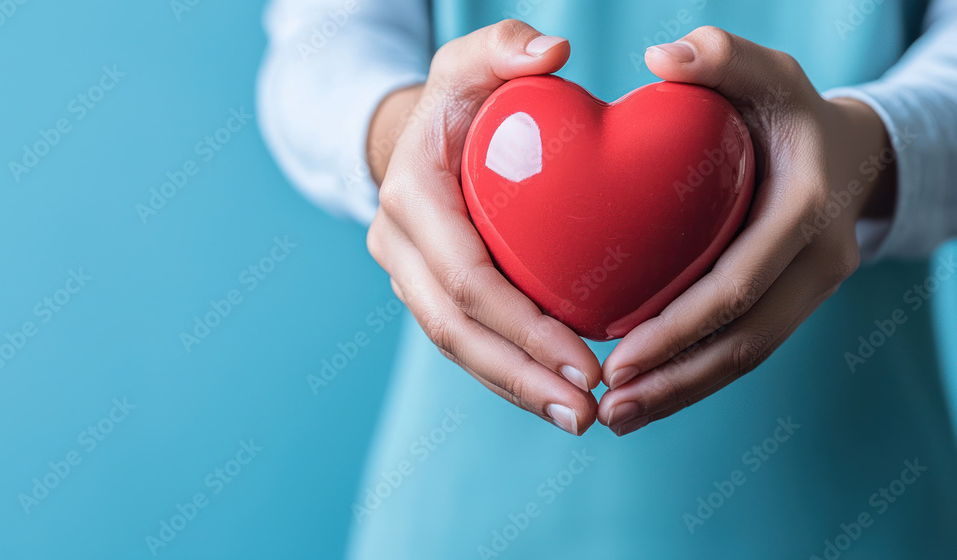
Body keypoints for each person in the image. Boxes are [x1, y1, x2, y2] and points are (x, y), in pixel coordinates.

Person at [258, 0, 957, 557]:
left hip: (856, 505)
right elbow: (321, 41)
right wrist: (403, 138)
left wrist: (866, 151)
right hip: (466, 507)